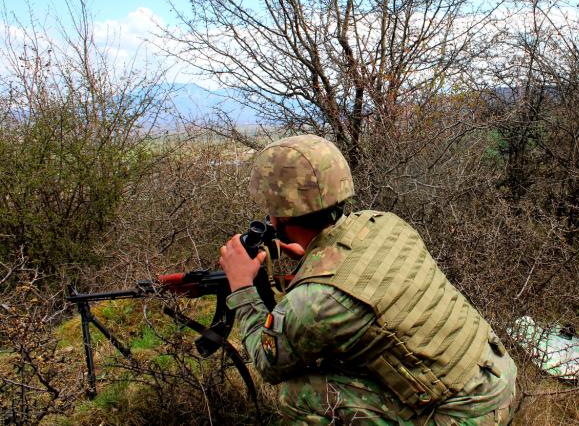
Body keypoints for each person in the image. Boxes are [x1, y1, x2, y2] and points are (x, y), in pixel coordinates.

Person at [219, 134, 517, 424]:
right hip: (498, 376)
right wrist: (313, 254)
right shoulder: (384, 223)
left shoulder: (314, 303)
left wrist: (242, 287)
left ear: (278, 215)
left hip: (470, 417)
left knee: (298, 396)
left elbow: (266, 363)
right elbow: (356, 267)